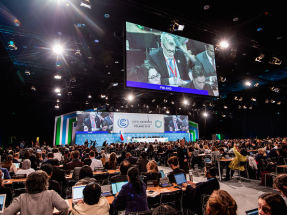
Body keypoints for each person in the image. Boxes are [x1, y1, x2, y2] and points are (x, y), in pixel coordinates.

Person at [3, 170, 69, 215]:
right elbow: (65, 207)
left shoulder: (21, 197)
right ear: (45, 183)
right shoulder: (51, 194)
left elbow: (6, 213)